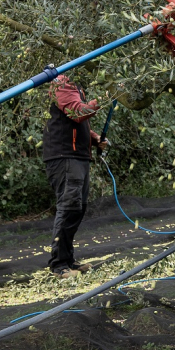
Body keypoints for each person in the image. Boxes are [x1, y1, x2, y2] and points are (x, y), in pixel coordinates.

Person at [42, 73, 107, 278]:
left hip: (78, 156)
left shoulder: (74, 85)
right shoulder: (61, 83)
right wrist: (103, 100)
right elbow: (77, 112)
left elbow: (76, 123)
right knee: (69, 208)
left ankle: (68, 260)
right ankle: (58, 265)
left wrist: (95, 139)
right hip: (65, 157)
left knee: (77, 209)